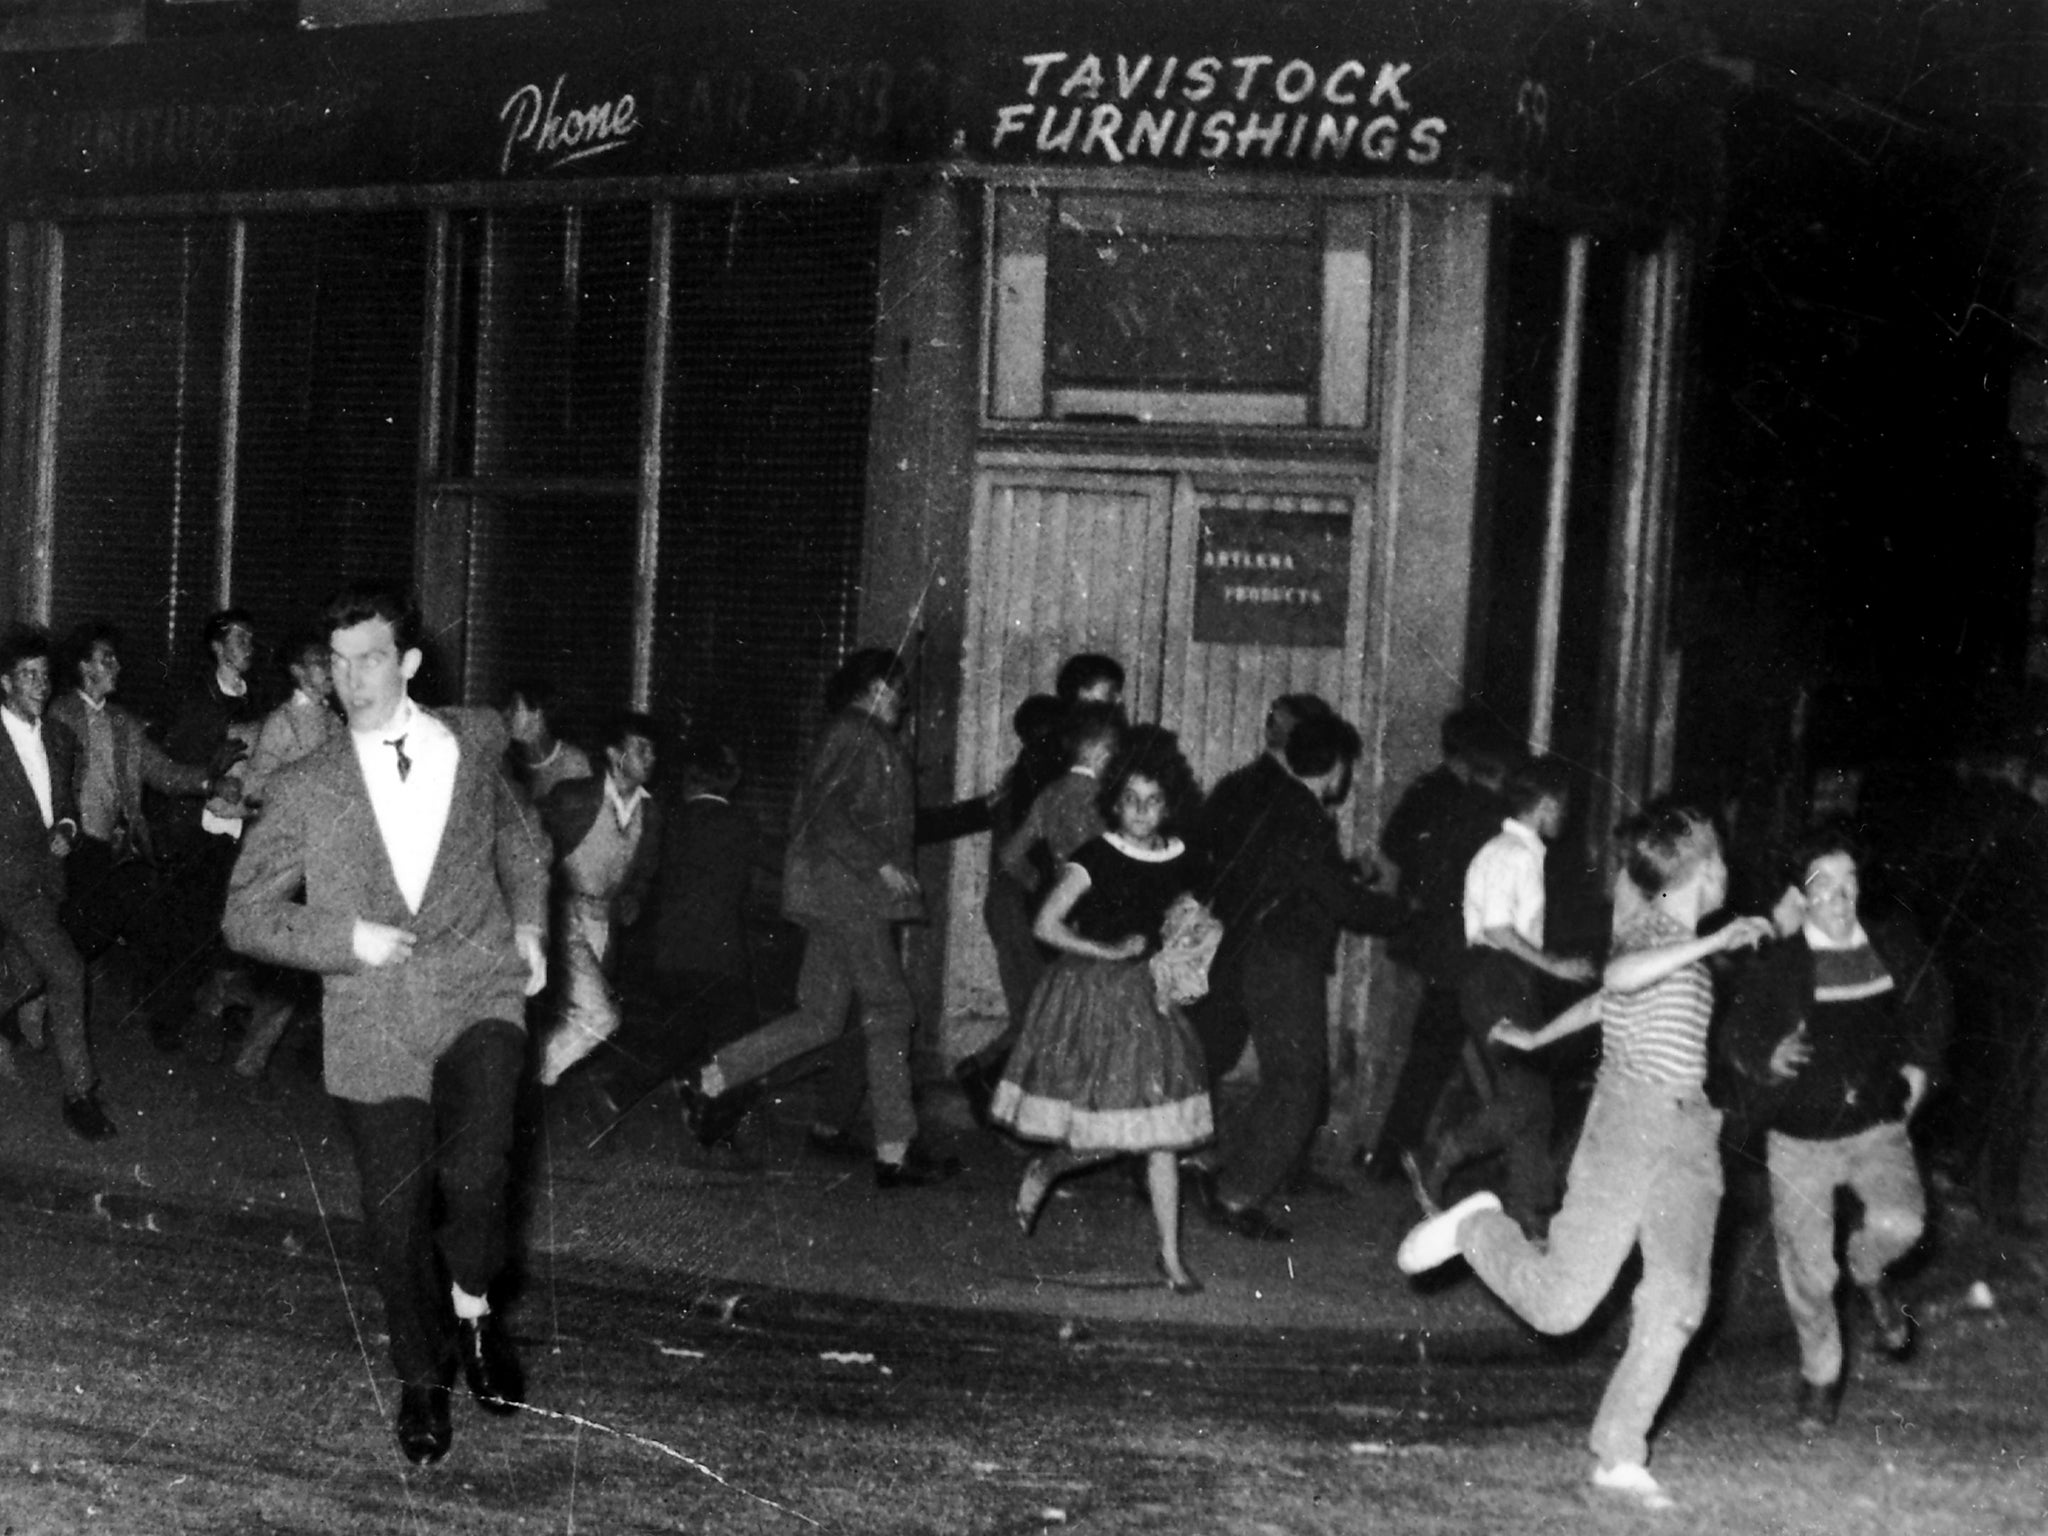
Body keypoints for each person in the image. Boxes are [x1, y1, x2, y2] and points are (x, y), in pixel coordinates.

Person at [222, 584, 550, 1466]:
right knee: (392, 1218)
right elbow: (244, 915)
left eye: (369, 657)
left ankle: (475, 1309)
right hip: (373, 1018)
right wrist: (344, 937)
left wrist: (528, 922)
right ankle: (421, 1378)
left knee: (479, 1175)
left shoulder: (477, 737)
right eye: (337, 661)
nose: (351, 677)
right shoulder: (304, 784)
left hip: (479, 989)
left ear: (406, 662)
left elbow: (522, 839)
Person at [1395, 802, 1774, 1511]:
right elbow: (1624, 975)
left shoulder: (1682, 945)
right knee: (1563, 1307)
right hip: (1629, 1124)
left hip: (1690, 1133)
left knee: (1680, 1299)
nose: (1731, 872)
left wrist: (1538, 1042)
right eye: (1721, 859)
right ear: (1702, 868)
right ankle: (1478, 1227)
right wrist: (1711, 943)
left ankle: (1619, 1453)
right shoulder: (1653, 930)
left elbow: (1607, 1001)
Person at [680, 649, 956, 1188]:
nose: (899, 701)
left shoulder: (854, 735)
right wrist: (878, 865)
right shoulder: (858, 735)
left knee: (821, 1018)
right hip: (849, 894)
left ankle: (712, 1079)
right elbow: (828, 812)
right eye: (891, 689)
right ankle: (896, 1151)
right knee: (890, 1009)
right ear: (866, 690)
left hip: (834, 893)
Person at [1718, 823, 1950, 1431]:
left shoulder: (1892, 945)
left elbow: (1934, 1005)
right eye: (1825, 885)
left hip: (1876, 1129)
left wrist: (1920, 1069)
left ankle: (1869, 1270)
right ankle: (1820, 1377)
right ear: (1802, 895)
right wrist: (1763, 1057)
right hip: (1799, 1141)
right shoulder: (1780, 965)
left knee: (1902, 1223)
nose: (1841, 896)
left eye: (1850, 882)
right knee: (1810, 1274)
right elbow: (1737, 1035)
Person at [992, 724, 1214, 1294]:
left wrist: (1187, 940)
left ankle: (1169, 1257)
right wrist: (1109, 949)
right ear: (1114, 801)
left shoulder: (1184, 857)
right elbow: (1046, 924)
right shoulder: (1096, 854)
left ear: (1169, 805)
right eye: (1130, 801)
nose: (1140, 813)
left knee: (1159, 1130)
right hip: (1093, 995)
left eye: (1153, 802)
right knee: (1107, 1130)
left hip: (1150, 997)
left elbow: (1184, 917)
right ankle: (1046, 1167)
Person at [1187, 706, 1402, 1241]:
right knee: (1298, 1081)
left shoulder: (1277, 801)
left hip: (1254, 949)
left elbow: (1296, 875)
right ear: (1333, 768)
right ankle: (1236, 1194)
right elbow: (1337, 900)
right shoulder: (1302, 814)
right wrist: (1406, 913)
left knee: (1284, 1078)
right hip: (1283, 956)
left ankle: (1232, 1177)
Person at [1420, 756, 1596, 1230]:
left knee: (1532, 1099)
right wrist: (1554, 965)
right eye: (1562, 807)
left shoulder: (1524, 853)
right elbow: (1498, 929)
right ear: (1545, 804)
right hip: (1493, 976)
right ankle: (1445, 1150)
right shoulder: (1509, 854)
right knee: (1525, 1099)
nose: (1565, 816)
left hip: (1509, 977)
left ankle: (1531, 1211)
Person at [1365, 706, 1519, 1180]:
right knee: (1438, 1054)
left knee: (1421, 1053)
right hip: (1453, 947)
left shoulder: (1428, 791)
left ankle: (1386, 1150)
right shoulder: (1476, 807)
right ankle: (1399, 1152)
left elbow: (1392, 848)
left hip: (1421, 942)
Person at [47, 623, 218, 1034]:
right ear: (84, 666)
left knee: (160, 921)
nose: (117, 666)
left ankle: (166, 1021)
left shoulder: (123, 722)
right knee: (73, 941)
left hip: (115, 849)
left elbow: (163, 772)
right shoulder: (61, 715)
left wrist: (210, 779)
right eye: (107, 659)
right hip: (71, 850)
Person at [593, 732, 758, 1128]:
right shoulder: (740, 824)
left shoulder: (670, 821)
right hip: (721, 953)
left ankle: (631, 1091)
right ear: (730, 780)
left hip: (671, 951)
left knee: (683, 1032)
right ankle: (711, 1114)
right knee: (732, 1038)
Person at [0, 625, 110, 1141]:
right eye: (28, 675)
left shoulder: (60, 738)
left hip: (45, 883)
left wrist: (65, 828)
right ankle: (79, 1095)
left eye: (44, 675)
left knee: (26, 979)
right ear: (5, 682)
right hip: (8, 884)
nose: (40, 685)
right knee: (67, 971)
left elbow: (63, 806)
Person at [228, 630, 341, 1081]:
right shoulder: (282, 724)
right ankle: (249, 1057)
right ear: (297, 671)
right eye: (320, 663)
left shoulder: (335, 722)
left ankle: (230, 995)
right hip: (285, 856)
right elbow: (254, 787)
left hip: (327, 853)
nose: (330, 672)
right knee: (286, 964)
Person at [157, 606, 266, 1059]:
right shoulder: (196, 699)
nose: (248, 647)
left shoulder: (258, 699)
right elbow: (175, 761)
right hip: (200, 829)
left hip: (245, 827)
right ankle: (168, 1020)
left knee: (235, 929)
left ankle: (224, 1017)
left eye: (251, 639)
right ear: (217, 647)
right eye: (239, 639)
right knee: (190, 927)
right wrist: (211, 764)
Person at [535, 711, 663, 1087]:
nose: (650, 757)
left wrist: (634, 897)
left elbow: (645, 870)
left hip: (601, 920)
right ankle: (535, 1077)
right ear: (613, 753)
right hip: (562, 912)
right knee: (600, 1015)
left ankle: (533, 1084)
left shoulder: (651, 813)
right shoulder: (574, 797)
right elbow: (528, 842)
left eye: (653, 750)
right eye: (641, 748)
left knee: (578, 1016)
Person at [502, 678, 592, 805]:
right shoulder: (506, 763)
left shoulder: (573, 763)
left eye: (513, 707)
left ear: (537, 713)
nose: (505, 714)